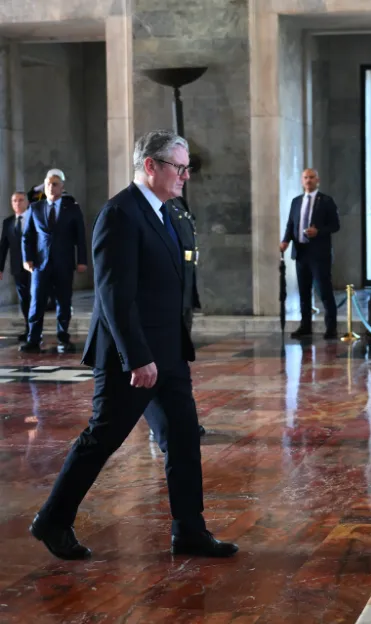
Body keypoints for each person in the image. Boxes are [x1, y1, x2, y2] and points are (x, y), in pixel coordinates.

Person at [29, 129, 238, 561]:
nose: (185, 176)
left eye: (186, 168)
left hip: (169, 354)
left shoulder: (167, 212)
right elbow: (114, 294)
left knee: (182, 439)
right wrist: (138, 357)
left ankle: (190, 531)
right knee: (102, 438)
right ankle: (52, 519)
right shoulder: (120, 213)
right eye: (179, 168)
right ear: (151, 166)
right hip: (133, 358)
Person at [146, 195, 206, 452]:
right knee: (161, 362)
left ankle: (179, 421)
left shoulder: (179, 203)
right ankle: (160, 424)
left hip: (183, 291)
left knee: (176, 362)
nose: (185, 175)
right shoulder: (152, 205)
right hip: (168, 295)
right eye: (180, 168)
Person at [20, 169, 87, 353]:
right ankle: (33, 339)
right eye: (48, 184)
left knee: (64, 302)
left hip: (63, 263)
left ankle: (63, 338)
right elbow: (27, 236)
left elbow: (80, 237)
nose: (51, 187)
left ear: (62, 187)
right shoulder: (35, 208)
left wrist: (82, 260)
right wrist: (28, 259)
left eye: (55, 184)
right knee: (37, 302)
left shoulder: (72, 208)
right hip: (40, 265)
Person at [280, 168, 341, 340]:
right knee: (304, 291)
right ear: (302, 180)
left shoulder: (326, 201)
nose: (308, 180)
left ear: (317, 180)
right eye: (305, 177)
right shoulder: (296, 201)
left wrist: (319, 231)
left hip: (319, 253)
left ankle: (331, 328)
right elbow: (291, 224)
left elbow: (335, 226)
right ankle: (305, 326)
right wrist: (285, 241)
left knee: (324, 291)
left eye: (312, 177)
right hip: (301, 252)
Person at [0, 191, 33, 341]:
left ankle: (35, 329)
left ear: (27, 202)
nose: (18, 203)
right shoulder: (8, 222)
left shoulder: (34, 218)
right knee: (24, 299)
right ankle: (29, 329)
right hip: (17, 267)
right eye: (14, 201)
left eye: (21, 200)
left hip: (34, 266)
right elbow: (3, 246)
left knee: (36, 298)